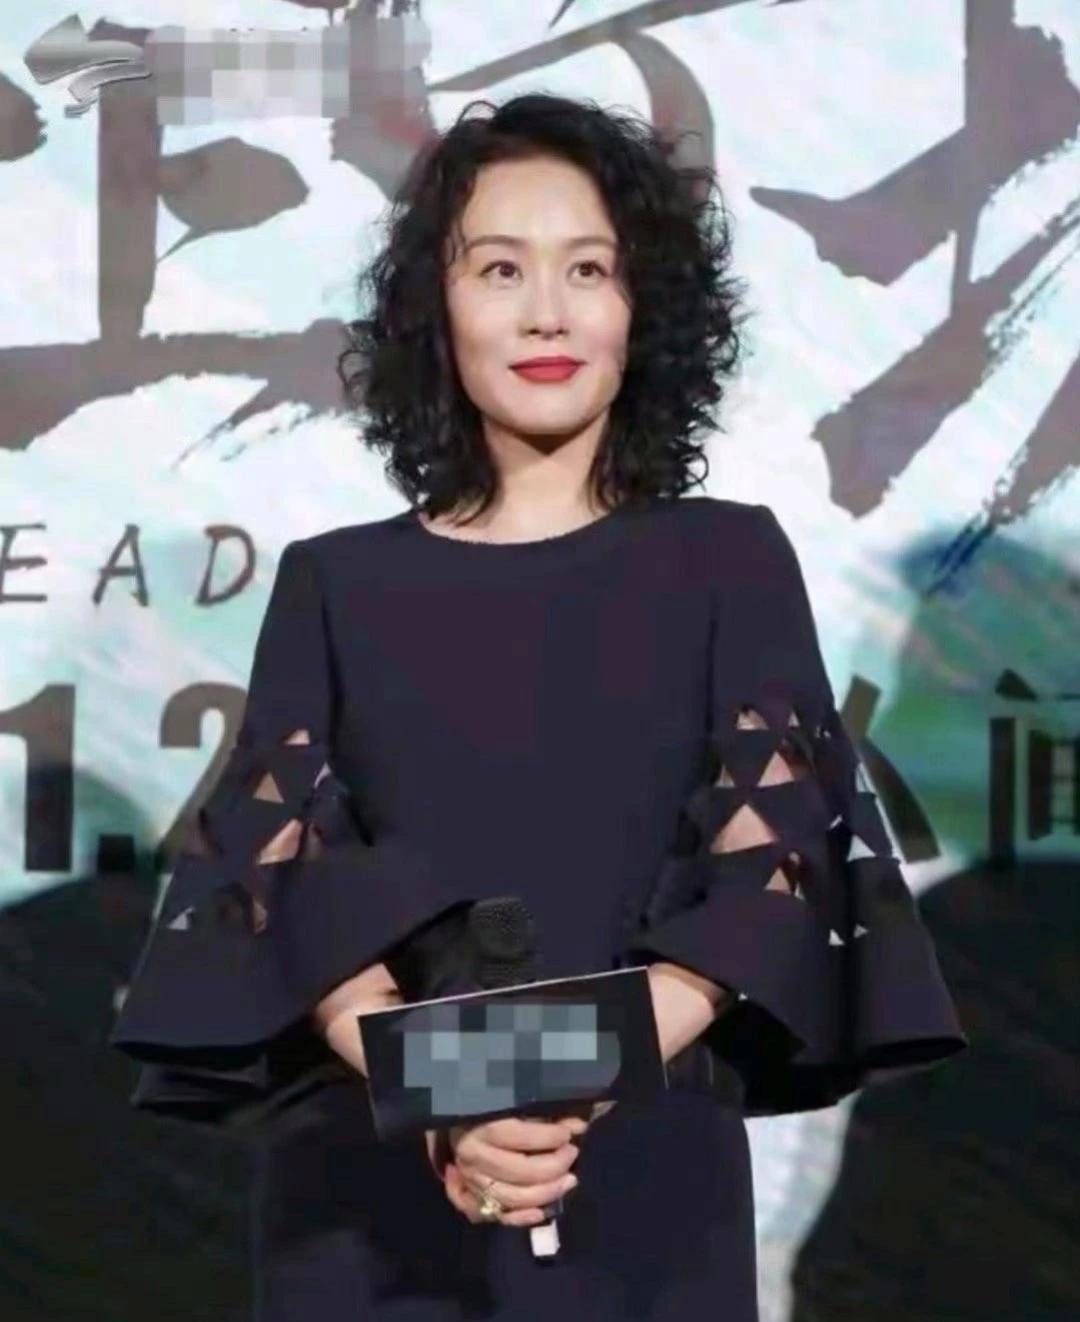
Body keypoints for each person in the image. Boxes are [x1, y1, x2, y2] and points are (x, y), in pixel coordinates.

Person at [108, 93, 966, 1321]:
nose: (546, 312)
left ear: (643, 306)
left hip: (644, 1185)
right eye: (501, 268)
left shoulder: (726, 562)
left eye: (589, 268)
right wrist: (456, 1104)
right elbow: (278, 884)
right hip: (373, 1202)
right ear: (438, 306)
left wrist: (535, 1086)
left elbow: (772, 873)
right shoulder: (334, 583)